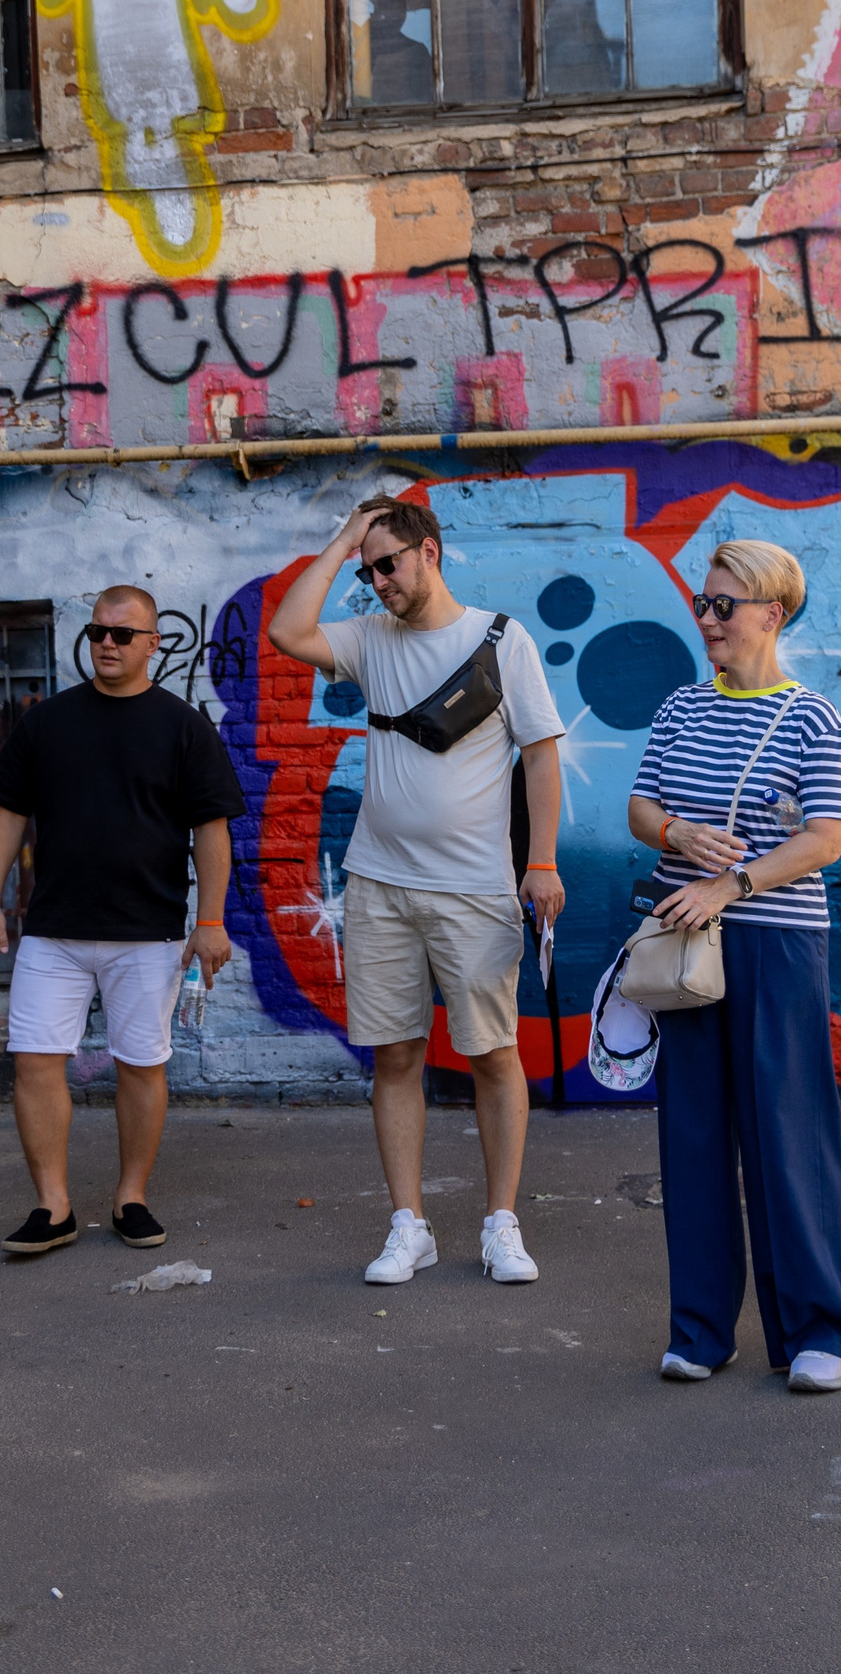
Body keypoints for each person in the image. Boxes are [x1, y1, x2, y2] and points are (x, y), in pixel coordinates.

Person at [266, 495, 566, 1286]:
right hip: (381, 884)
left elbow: (541, 755)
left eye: (387, 564)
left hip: (474, 887)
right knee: (396, 1053)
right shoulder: (369, 639)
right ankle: (411, 1226)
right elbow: (287, 631)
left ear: (429, 552)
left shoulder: (501, 641)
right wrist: (341, 541)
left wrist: (541, 862)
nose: (377, 583)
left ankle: (502, 1222)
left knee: (492, 1055)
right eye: (368, 572)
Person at [625, 539, 841, 1394]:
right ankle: (700, 1329)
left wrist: (732, 881)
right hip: (688, 945)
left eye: (725, 605)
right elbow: (642, 804)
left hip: (776, 941)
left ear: (774, 612)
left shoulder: (811, 717)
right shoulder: (680, 709)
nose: (709, 619)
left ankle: (817, 1332)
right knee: (690, 1136)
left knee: (787, 1136)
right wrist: (676, 834)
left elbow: (827, 838)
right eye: (703, 602)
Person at [0, 585, 244, 1257]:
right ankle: (52, 1205)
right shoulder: (47, 722)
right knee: (34, 1063)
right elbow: (5, 813)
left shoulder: (182, 726)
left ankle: (131, 1196)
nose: (108, 644)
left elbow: (212, 828)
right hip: (53, 932)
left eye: (123, 634)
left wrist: (211, 919)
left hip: (148, 934)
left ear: (154, 643)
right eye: (98, 633)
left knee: (141, 1066)